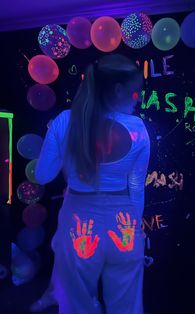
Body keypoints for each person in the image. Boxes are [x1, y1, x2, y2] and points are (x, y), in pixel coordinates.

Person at [34, 53, 150, 314]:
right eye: (135, 93)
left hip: (79, 223)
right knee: (127, 305)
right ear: (118, 89)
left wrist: (57, 140)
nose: (138, 99)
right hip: (124, 226)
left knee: (76, 304)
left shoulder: (65, 121)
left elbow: (43, 176)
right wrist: (135, 226)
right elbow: (136, 185)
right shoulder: (138, 128)